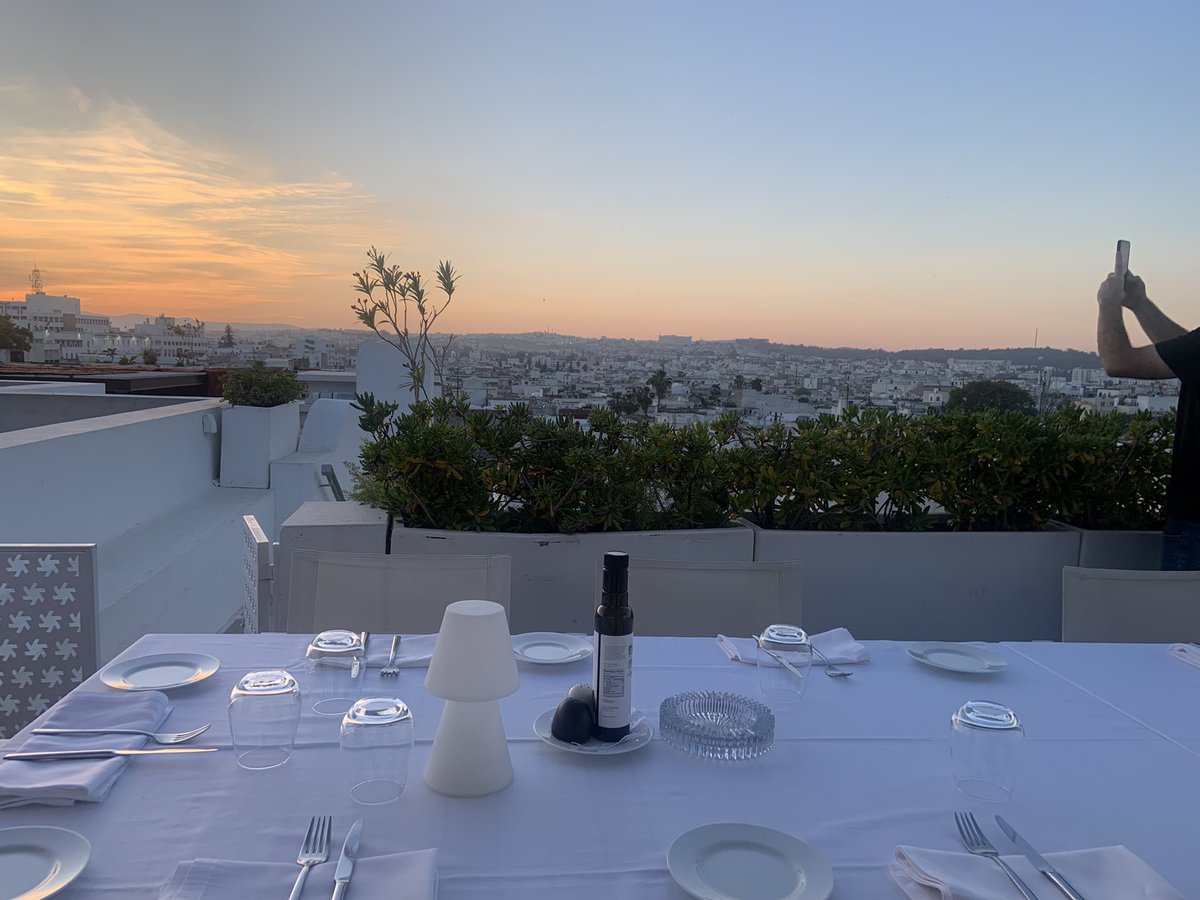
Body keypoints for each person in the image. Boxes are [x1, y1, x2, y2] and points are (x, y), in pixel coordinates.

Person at [1096, 270, 1200, 569]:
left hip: (1195, 520)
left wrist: (1107, 303)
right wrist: (1140, 305)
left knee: (1181, 613)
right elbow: (1183, 353)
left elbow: (1118, 361)